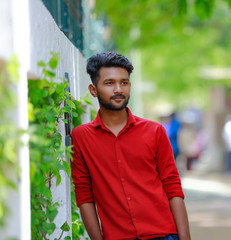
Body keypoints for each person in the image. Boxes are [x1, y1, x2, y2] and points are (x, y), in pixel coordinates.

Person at [71, 51, 190, 240]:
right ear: (93, 90)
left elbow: (173, 187)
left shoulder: (155, 131)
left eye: (124, 82)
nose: (118, 89)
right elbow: (84, 194)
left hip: (163, 235)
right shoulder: (81, 137)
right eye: (109, 83)